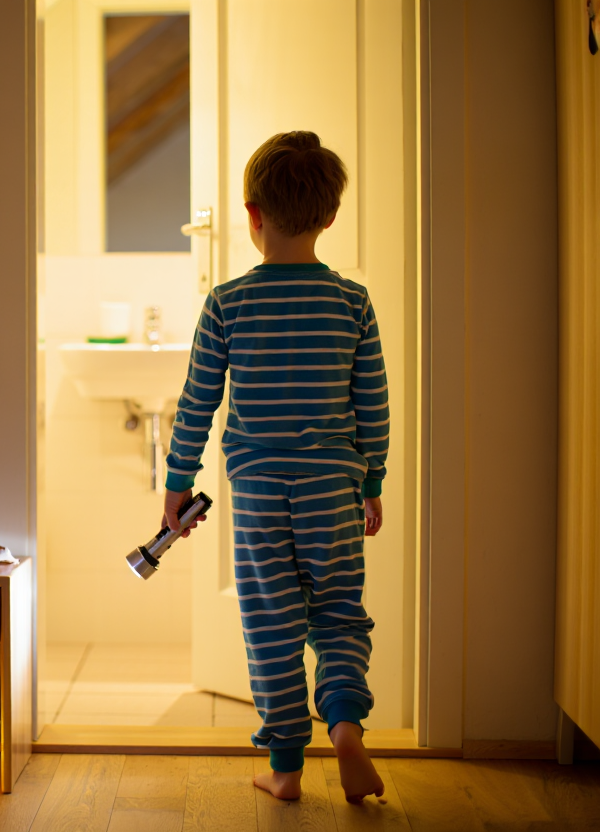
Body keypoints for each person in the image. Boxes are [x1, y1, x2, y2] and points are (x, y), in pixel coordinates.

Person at [163, 130, 388, 803]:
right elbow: (371, 405)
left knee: (271, 620)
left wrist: (178, 484)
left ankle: (286, 766)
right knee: (340, 613)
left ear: (252, 214)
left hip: (261, 489)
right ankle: (345, 723)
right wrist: (371, 483)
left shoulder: (228, 303)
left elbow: (197, 402)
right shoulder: (352, 302)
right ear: (330, 215)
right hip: (333, 487)